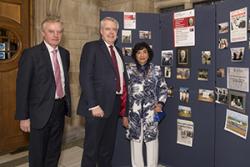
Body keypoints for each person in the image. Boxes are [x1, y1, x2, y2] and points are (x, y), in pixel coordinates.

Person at [15, 16, 71, 167]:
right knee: (38, 154)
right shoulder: (31, 54)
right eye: (51, 31)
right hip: (38, 112)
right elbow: (22, 88)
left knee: (54, 151)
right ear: (43, 33)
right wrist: (24, 116)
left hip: (59, 109)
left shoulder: (65, 54)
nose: (56, 35)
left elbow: (64, 81)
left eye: (59, 32)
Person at [77, 17, 127, 167]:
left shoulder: (118, 51)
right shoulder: (91, 47)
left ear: (117, 33)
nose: (111, 32)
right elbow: (85, 77)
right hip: (97, 106)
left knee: (107, 147)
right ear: (101, 31)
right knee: (91, 149)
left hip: (114, 105)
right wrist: (93, 105)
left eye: (114, 30)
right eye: (107, 29)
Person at [122, 42, 168, 167]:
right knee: (136, 143)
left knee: (152, 142)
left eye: (144, 52)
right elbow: (124, 93)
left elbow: (163, 89)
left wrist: (160, 104)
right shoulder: (128, 70)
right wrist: (124, 115)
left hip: (151, 113)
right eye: (138, 52)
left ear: (149, 54)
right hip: (134, 113)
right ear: (135, 55)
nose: (142, 55)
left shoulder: (156, 69)